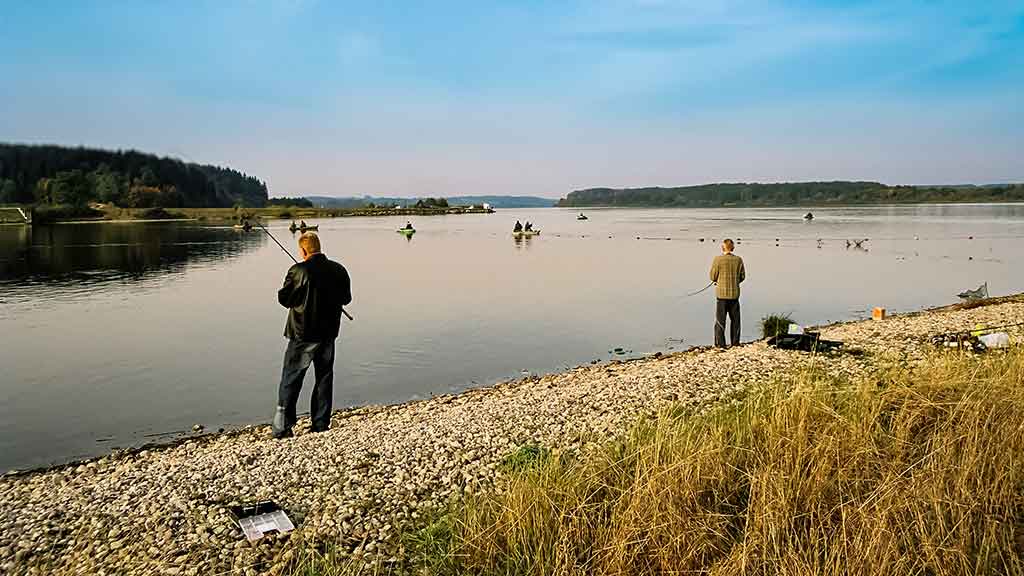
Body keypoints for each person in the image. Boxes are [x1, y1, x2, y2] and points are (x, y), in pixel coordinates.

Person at [272, 232, 352, 438]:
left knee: (291, 378)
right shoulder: (339, 269)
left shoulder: (298, 270)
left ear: (303, 250)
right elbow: (346, 298)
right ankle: (321, 423)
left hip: (302, 334)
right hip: (328, 333)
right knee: (324, 377)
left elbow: (285, 299)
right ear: (319, 247)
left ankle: (282, 428)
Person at [709, 239, 745, 348]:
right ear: (733, 248)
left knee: (720, 320)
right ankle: (735, 343)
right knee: (736, 320)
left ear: (722, 247)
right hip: (734, 295)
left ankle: (720, 344)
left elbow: (712, 276)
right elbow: (742, 276)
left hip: (721, 295)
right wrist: (734, 282)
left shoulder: (717, 259)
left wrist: (717, 281)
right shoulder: (738, 260)